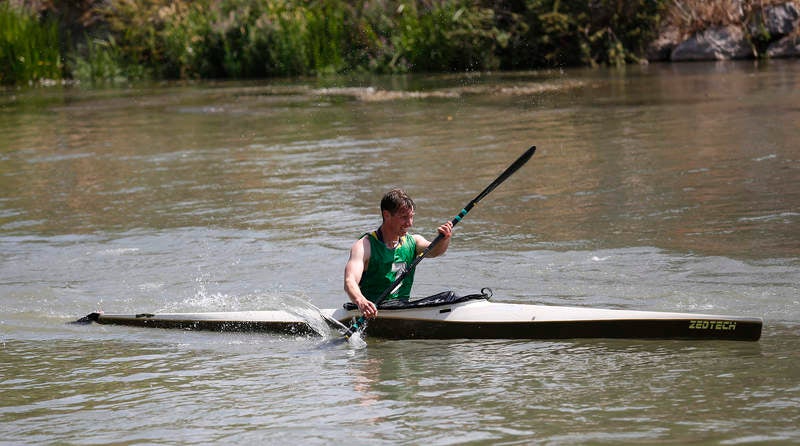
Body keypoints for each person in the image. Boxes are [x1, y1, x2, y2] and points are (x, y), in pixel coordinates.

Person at [344, 188, 453, 319]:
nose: (409, 223)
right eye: (404, 217)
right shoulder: (364, 246)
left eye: (411, 217)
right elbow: (350, 281)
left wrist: (445, 238)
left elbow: (435, 250)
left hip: (402, 308)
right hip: (371, 312)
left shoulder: (414, 242)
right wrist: (361, 301)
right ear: (386, 215)